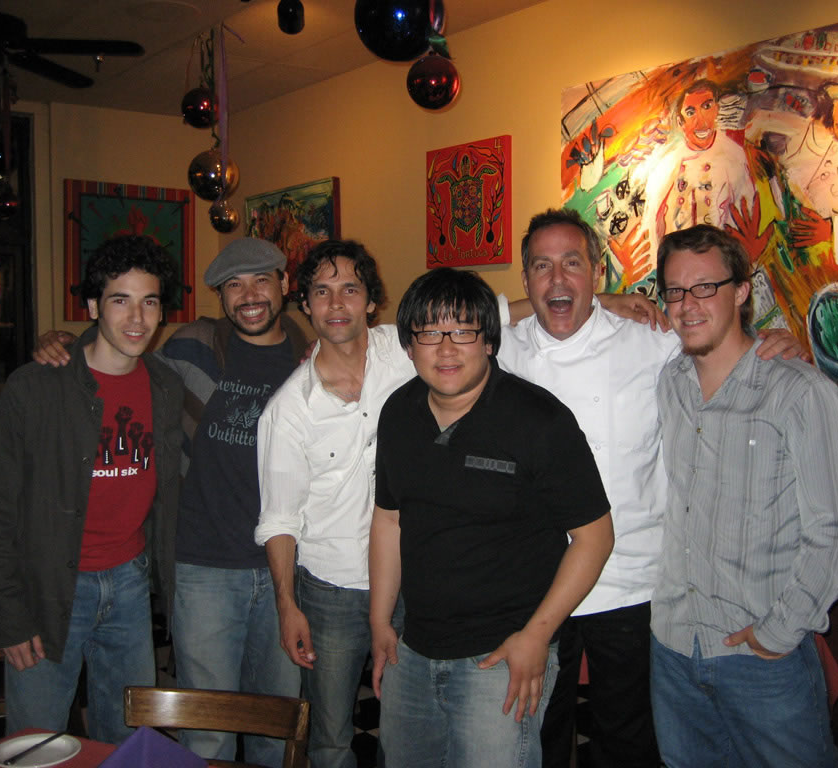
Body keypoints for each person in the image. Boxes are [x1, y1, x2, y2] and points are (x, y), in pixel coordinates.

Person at [496, 208, 804, 768]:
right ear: (525, 279)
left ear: (597, 269)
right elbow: (450, 316)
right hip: (535, 582)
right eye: (542, 266)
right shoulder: (503, 348)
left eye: (572, 264)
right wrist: (601, 298)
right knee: (535, 733)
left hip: (632, 583)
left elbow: (722, 347)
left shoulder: (650, 342)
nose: (557, 279)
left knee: (629, 738)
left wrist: (776, 344)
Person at [31, 238, 308, 766]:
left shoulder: (308, 355)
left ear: (284, 284)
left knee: (276, 726)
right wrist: (65, 342)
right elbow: (118, 354)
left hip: (285, 568)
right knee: (205, 730)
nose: (250, 294)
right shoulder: (190, 347)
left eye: (262, 279)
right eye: (234, 284)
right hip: (202, 568)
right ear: (220, 296)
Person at [369, 268, 614, 768]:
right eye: (429, 333)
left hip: (502, 657)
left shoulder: (539, 419)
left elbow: (594, 537)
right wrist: (379, 621)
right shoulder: (398, 412)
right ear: (409, 345)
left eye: (463, 331)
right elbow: (388, 521)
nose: (446, 349)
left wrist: (536, 636)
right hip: (411, 651)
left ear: (488, 341)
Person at [651, 224, 838, 767]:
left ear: (742, 291)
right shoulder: (668, 382)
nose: (687, 304)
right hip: (673, 647)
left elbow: (837, 530)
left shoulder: (800, 393)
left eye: (705, 287)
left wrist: (778, 632)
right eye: (674, 290)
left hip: (760, 656)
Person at [0, 234, 183, 743]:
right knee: (37, 742)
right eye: (120, 300)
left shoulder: (165, 385)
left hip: (129, 584)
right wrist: (8, 617)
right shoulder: (36, 386)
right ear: (92, 307)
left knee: (127, 739)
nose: (137, 318)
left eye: (150, 302)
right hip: (48, 588)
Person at [255, 239, 413, 768]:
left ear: (371, 300)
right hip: (331, 589)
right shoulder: (288, 410)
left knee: (410, 724)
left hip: (413, 577)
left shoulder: (405, 351)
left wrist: (607, 302)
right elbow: (279, 519)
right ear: (305, 304)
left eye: (350, 288)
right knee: (329, 736)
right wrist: (287, 605)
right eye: (322, 292)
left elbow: (486, 316)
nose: (337, 303)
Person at [745, 69, 838, 266]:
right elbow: (758, 122)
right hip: (774, 235)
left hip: (819, 257)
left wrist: (831, 231)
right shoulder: (808, 129)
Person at [640, 79, 755, 260]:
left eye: (707, 107)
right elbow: (652, 219)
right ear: (681, 122)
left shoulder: (734, 156)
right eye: (690, 112)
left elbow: (746, 215)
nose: (701, 121)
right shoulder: (667, 164)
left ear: (717, 110)